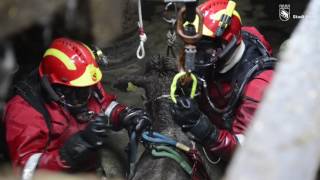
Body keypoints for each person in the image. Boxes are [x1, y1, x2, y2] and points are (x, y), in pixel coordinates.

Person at [3, 38, 151, 172]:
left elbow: (102, 105)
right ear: (53, 86)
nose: (85, 97)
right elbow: (25, 170)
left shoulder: (83, 82)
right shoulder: (24, 112)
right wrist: (72, 152)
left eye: (87, 89)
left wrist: (123, 114)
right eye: (78, 92)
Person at [172, 0, 276, 163]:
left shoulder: (259, 87)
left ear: (229, 43)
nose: (197, 57)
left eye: (205, 50)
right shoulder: (219, 56)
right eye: (194, 47)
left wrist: (203, 129)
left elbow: (246, 152)